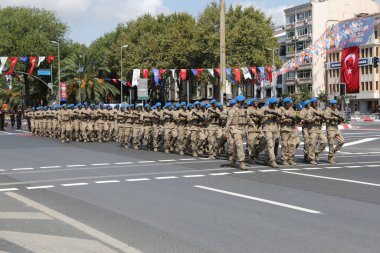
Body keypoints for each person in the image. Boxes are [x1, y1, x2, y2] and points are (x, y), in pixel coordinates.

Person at [225, 95, 248, 170]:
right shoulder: (232, 110)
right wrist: (226, 131)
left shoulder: (243, 109)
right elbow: (228, 121)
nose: (244, 102)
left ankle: (233, 160)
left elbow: (247, 118)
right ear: (239, 102)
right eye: (243, 101)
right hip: (235, 129)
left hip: (242, 129)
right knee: (239, 145)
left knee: (235, 146)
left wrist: (252, 123)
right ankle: (242, 162)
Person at [306, 98, 327, 165]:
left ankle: (316, 152)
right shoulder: (310, 110)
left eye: (316, 102)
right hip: (313, 129)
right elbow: (308, 120)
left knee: (324, 141)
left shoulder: (319, 110)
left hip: (319, 128)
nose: (316, 103)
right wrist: (315, 118)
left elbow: (324, 117)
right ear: (312, 103)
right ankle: (312, 159)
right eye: (314, 102)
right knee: (312, 144)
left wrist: (322, 118)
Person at [324, 100, 345, 164]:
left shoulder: (336, 110)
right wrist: (333, 118)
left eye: (336, 104)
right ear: (331, 104)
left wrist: (340, 120)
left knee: (342, 141)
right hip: (330, 128)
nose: (336, 105)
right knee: (331, 144)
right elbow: (325, 117)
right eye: (334, 104)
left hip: (336, 128)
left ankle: (333, 151)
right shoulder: (328, 110)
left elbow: (337, 117)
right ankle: (330, 158)